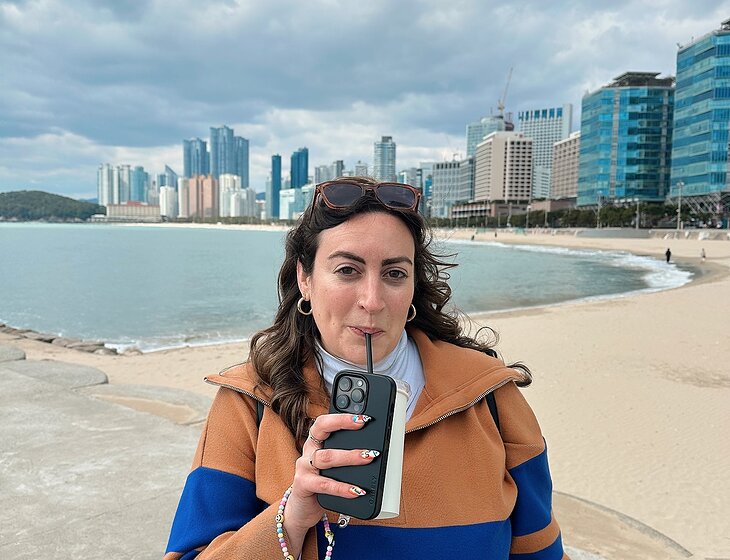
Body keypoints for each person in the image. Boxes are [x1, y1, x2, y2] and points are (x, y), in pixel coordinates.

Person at [164, 177, 569, 560]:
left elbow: (541, 552)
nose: (372, 300)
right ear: (305, 278)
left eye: (394, 274)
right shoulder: (249, 401)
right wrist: (290, 519)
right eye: (347, 270)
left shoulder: (490, 396)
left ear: (413, 285)